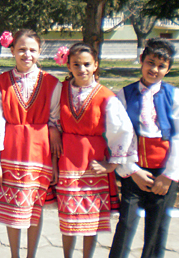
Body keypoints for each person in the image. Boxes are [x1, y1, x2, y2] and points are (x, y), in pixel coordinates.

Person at [109, 38, 179, 258]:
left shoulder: (175, 96)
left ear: (168, 69)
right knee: (126, 224)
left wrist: (169, 175)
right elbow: (116, 135)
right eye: (150, 62)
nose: (154, 69)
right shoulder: (124, 95)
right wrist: (132, 171)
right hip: (134, 170)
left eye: (161, 66)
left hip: (164, 173)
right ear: (141, 60)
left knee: (157, 228)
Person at [52, 43, 136, 258]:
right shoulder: (61, 90)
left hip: (93, 160)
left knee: (91, 217)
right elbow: (53, 117)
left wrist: (112, 164)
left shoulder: (106, 96)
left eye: (87, 64)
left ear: (95, 65)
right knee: (69, 216)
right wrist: (54, 132)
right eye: (76, 64)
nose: (82, 69)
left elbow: (123, 129)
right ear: (69, 66)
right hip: (68, 158)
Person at [0, 29, 61, 258]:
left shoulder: (52, 83)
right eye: (21, 49)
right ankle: (14, 254)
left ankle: (31, 255)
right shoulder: (0, 83)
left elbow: (55, 122)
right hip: (11, 151)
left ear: (39, 51)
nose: (27, 54)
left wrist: (54, 163)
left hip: (40, 153)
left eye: (32, 50)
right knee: (13, 208)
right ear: (12, 51)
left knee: (35, 208)